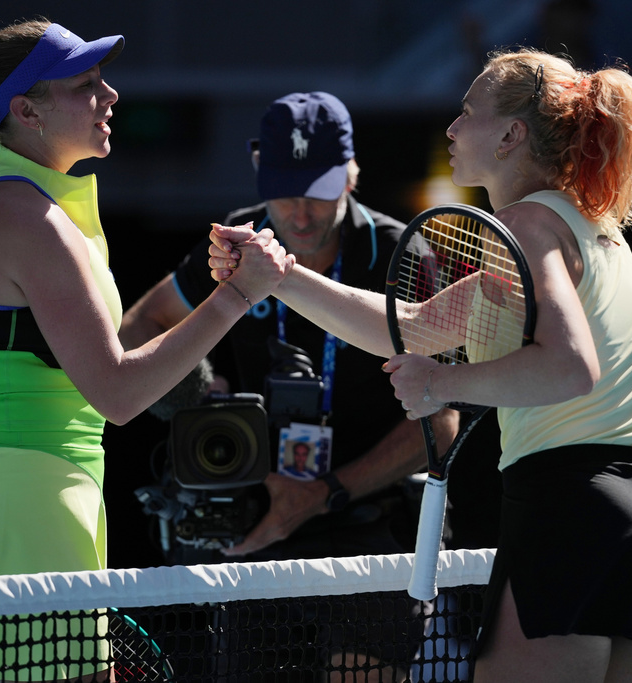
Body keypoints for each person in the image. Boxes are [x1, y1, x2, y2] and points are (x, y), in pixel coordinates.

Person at [210, 49, 632, 682]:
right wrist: (278, 277)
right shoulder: (592, 227)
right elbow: (410, 326)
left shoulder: (528, 227)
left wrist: (441, 382)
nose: (451, 128)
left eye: (468, 111)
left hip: (576, 512)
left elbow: (569, 367)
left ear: (511, 135)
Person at [0, 19, 290, 679]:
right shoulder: (26, 216)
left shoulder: (42, 206)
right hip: (30, 517)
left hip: (30, 513)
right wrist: (235, 298)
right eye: (86, 85)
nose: (110, 96)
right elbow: (115, 393)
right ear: (27, 110)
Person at [121, 91, 458, 681]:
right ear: (257, 168)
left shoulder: (407, 253)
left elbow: (441, 422)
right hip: (260, 515)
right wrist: (202, 394)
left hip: (369, 522)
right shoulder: (233, 246)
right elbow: (137, 327)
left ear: (352, 174)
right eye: (285, 189)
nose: (300, 214)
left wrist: (321, 492)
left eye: (319, 191)